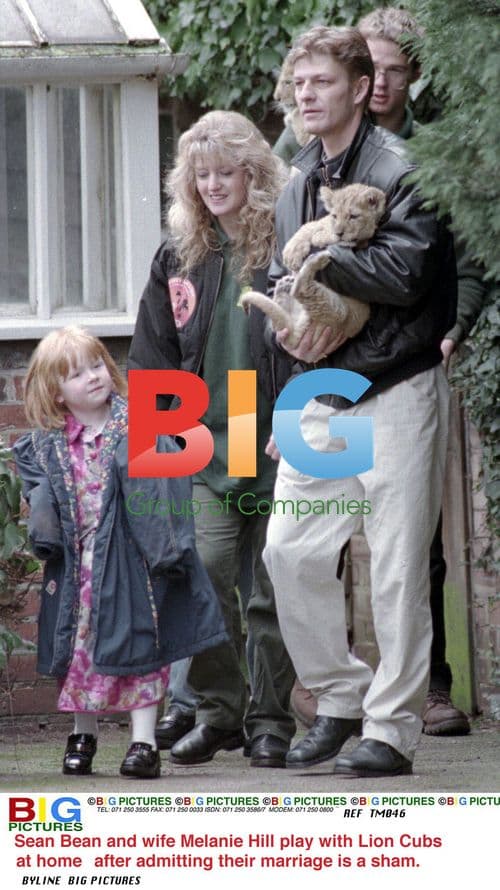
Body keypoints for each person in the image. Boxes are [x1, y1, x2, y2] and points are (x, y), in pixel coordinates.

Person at [276, 6, 486, 737]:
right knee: (290, 550)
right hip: (322, 394)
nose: (306, 94)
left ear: (362, 88)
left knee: (397, 566)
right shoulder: (298, 175)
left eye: (323, 81)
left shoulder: (405, 168)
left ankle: (391, 729)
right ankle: (338, 694)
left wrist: (322, 257)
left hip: (395, 386)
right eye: (299, 82)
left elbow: (402, 273)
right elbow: (282, 285)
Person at [128, 111, 296, 768]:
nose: (215, 184)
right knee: (203, 574)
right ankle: (221, 708)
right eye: (203, 174)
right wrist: (155, 448)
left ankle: (271, 720)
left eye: (227, 171)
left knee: (272, 587)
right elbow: (150, 357)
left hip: (279, 439)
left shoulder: (285, 245)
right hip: (205, 447)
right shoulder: (177, 255)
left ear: (254, 174)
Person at [13, 326, 226, 779]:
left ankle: (144, 741)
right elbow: (41, 500)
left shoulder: (140, 426)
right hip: (79, 568)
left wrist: (165, 550)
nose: (93, 377)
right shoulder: (47, 445)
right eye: (76, 374)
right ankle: (82, 732)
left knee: (141, 648)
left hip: (132, 563)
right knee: (76, 651)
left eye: (97, 365)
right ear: (55, 394)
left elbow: (164, 491)